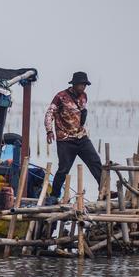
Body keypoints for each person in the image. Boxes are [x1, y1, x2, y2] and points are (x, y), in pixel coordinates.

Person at [44, 71, 102, 200]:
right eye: (81, 85)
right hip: (65, 140)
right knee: (63, 169)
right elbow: (49, 113)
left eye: (85, 85)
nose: (83, 87)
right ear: (74, 84)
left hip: (81, 137)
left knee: (96, 162)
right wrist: (49, 131)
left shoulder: (84, 97)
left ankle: (103, 190)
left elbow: (80, 115)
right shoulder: (61, 96)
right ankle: (54, 196)